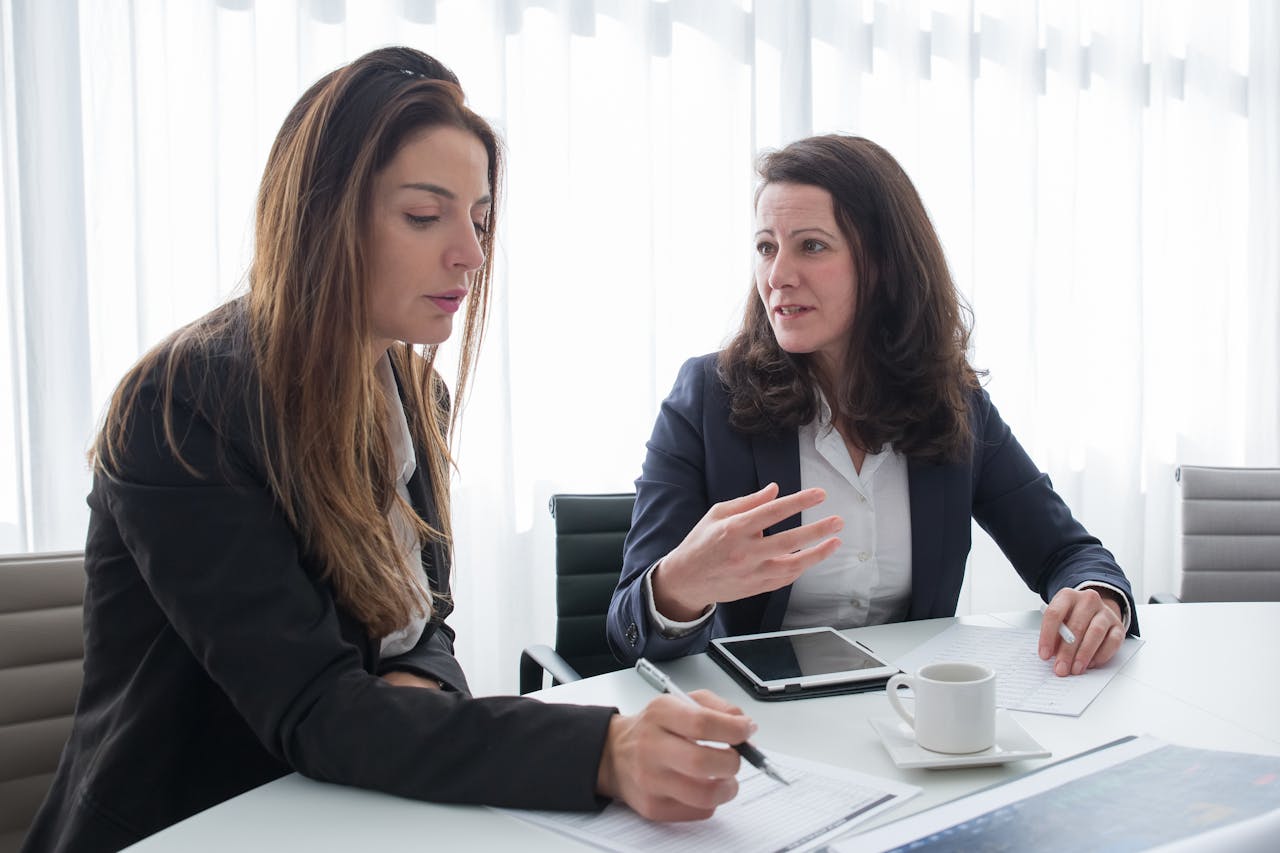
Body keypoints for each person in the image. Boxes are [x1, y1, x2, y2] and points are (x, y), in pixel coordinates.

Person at [23, 47, 752, 853]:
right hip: (194, 823)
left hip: (353, 806)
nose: (471, 256)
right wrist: (604, 749)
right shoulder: (180, 406)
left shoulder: (410, 391)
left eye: (477, 220)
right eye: (423, 215)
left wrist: (415, 688)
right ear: (322, 215)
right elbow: (313, 704)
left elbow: (421, 622)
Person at [607, 134, 1139, 677]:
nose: (777, 275)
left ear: (883, 262)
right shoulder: (705, 396)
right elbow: (627, 630)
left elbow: (1067, 552)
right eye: (766, 247)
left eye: (811, 246)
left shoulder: (955, 403)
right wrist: (679, 585)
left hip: (913, 716)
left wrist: (1099, 597)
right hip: (759, 719)